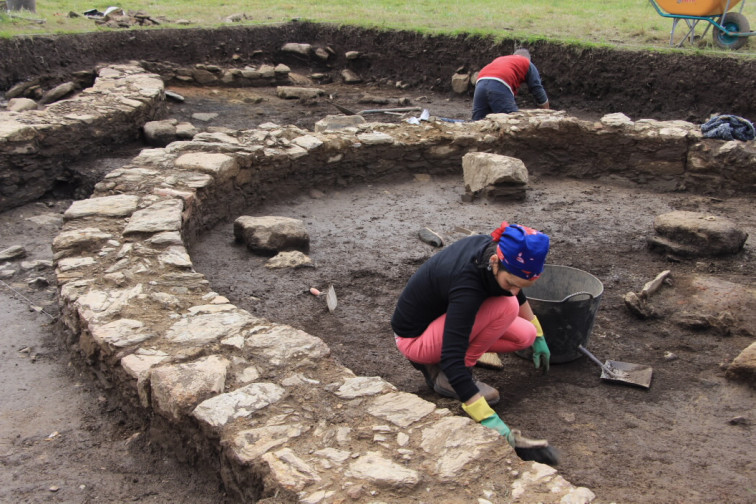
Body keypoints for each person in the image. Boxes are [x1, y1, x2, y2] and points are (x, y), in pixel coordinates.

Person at [391, 221, 555, 458]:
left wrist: (538, 334)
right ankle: (449, 377)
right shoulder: (468, 284)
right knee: (507, 306)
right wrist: (489, 419)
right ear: (495, 262)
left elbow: (516, 287)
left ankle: (460, 358)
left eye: (522, 286)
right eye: (511, 283)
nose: (515, 291)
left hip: (445, 323)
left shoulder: (494, 254)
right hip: (415, 339)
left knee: (525, 335)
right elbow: (451, 357)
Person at [472, 48, 550, 121]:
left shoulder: (501, 59)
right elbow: (537, 89)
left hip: (481, 82)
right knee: (510, 122)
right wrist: (547, 113)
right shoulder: (526, 62)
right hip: (500, 83)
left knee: (477, 123)